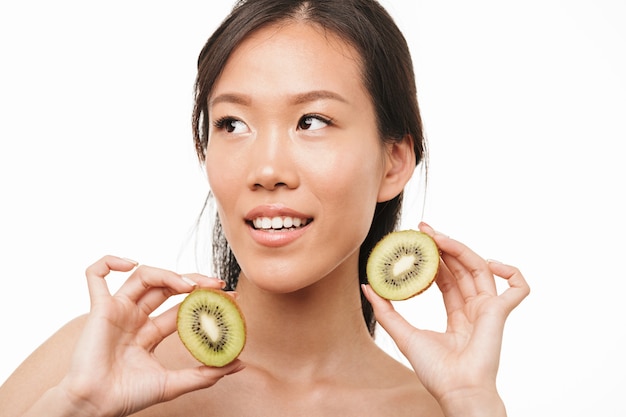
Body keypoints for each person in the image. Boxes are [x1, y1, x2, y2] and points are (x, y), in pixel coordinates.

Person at [0, 0, 530, 416]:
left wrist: (472, 405)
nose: (266, 168)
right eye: (233, 124)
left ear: (393, 163)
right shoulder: (89, 366)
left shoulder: (440, 408)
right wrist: (75, 408)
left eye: (312, 121)